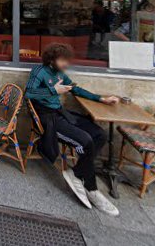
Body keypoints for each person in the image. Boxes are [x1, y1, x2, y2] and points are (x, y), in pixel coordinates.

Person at [25, 43, 120, 216]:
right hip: (47, 118)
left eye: (67, 60)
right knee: (85, 141)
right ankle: (91, 189)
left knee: (100, 134)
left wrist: (101, 99)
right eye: (62, 60)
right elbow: (29, 93)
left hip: (61, 113)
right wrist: (53, 90)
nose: (66, 64)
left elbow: (76, 89)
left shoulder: (60, 74)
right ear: (52, 59)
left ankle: (76, 173)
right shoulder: (39, 71)